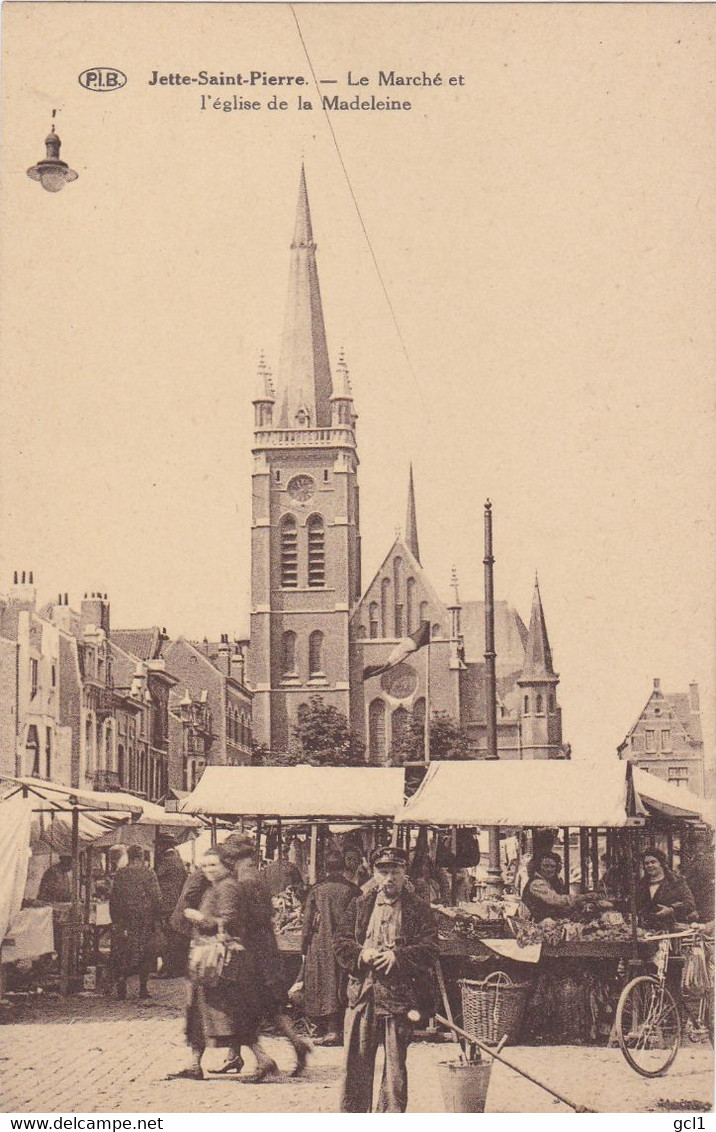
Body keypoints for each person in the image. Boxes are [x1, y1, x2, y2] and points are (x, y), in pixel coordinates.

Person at [334, 845, 439, 1113]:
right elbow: (340, 943)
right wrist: (363, 954)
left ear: (405, 873)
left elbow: (430, 948)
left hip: (398, 996)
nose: (389, 878)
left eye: (395, 871)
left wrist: (399, 957)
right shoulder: (359, 905)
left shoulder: (419, 909)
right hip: (363, 993)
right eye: (383, 871)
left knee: (395, 1069)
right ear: (373, 873)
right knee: (355, 1064)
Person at [170, 845, 277, 1082]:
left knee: (228, 1017)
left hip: (219, 962)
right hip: (208, 960)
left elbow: (228, 922)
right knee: (199, 1013)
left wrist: (200, 918)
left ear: (225, 866)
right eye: (204, 866)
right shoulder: (216, 886)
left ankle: (263, 1059)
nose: (207, 870)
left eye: (212, 865)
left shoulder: (228, 887)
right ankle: (194, 1063)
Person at [230, 834, 314, 1078]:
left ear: (235, 858)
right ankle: (298, 1044)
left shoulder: (245, 881)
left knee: (241, 1008)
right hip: (268, 952)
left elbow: (246, 921)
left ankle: (261, 1059)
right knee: (274, 1008)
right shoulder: (258, 878)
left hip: (253, 955)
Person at [301, 851, 361, 1044]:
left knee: (323, 984)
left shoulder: (317, 889)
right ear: (344, 868)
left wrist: (304, 946)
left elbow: (307, 921)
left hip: (321, 944)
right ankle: (343, 1029)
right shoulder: (353, 890)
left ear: (325, 868)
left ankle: (330, 1029)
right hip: (346, 942)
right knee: (342, 983)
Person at [109, 844, 163, 1000]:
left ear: (129, 856)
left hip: (124, 920)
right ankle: (143, 989)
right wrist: (157, 917)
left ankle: (121, 983)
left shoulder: (120, 874)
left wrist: (115, 920)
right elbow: (157, 897)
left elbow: (114, 899)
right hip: (143, 919)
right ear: (142, 856)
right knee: (145, 953)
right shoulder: (148, 873)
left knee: (124, 951)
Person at [637, 848, 697, 931]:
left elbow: (690, 903)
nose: (649, 865)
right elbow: (635, 904)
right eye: (646, 863)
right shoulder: (642, 884)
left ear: (661, 863)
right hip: (648, 931)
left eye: (653, 862)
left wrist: (671, 909)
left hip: (672, 930)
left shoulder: (675, 881)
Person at [520, 852, 590, 923]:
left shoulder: (546, 881)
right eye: (546, 866)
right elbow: (558, 901)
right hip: (536, 923)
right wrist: (585, 897)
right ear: (539, 867)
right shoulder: (537, 883)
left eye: (553, 866)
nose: (549, 869)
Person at [156, 845, 189, 978]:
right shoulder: (180, 862)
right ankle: (177, 968)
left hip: (166, 905)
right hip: (178, 904)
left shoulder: (166, 862)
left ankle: (169, 968)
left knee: (167, 939)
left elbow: (156, 878)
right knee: (176, 937)